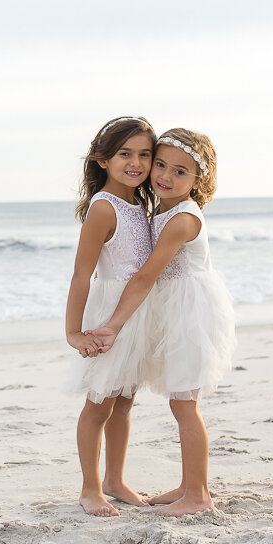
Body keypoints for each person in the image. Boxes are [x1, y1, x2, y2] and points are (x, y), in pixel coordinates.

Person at [89, 127, 237, 517]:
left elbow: (145, 277)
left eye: (180, 172)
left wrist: (115, 324)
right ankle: (190, 485)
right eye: (161, 165)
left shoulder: (182, 219)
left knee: (184, 405)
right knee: (179, 402)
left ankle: (198, 496)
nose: (166, 177)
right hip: (172, 310)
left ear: (199, 179)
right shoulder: (162, 208)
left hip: (190, 313)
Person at [64, 116, 157, 517]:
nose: (135, 163)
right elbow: (82, 273)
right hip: (108, 318)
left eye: (144, 154)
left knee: (124, 402)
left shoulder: (140, 202)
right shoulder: (104, 207)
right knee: (99, 403)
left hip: (136, 314)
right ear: (103, 159)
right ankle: (90, 489)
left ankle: (115, 479)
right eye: (125, 154)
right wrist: (73, 332)